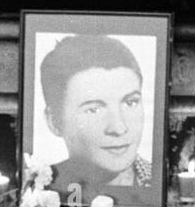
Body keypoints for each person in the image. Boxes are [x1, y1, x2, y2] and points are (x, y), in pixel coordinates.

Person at [39, 34, 152, 190]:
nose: (119, 128)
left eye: (130, 102)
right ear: (54, 121)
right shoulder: (38, 186)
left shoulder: (162, 183)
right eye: (93, 110)